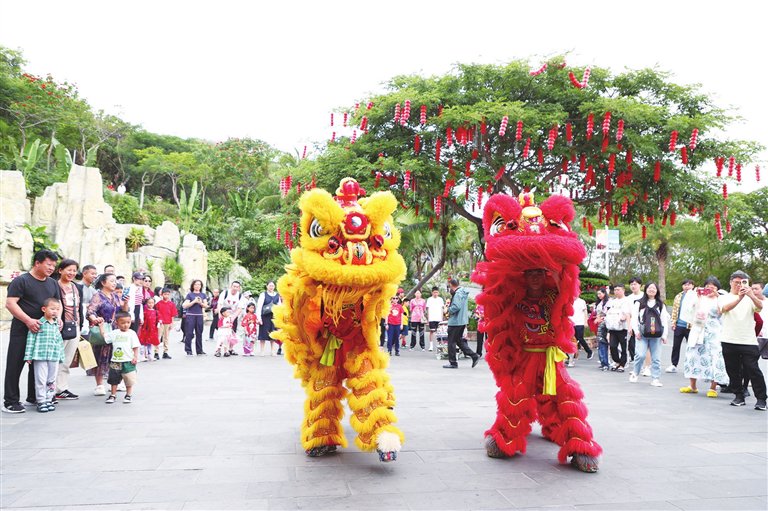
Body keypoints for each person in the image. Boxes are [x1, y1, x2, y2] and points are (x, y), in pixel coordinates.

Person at [3, 249, 61, 414]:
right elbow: (10, 303)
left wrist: (59, 318)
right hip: (22, 330)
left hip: (44, 333)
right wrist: (28, 320)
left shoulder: (52, 283)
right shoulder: (21, 281)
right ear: (37, 263)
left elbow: (58, 304)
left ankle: (35, 396)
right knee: (15, 365)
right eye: (48, 264)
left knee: (39, 365)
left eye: (53, 266)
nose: (51, 268)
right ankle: (10, 401)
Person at [718, 271, 766, 410]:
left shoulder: (750, 298)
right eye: (736, 282)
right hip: (729, 339)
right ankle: (739, 396)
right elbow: (724, 309)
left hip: (748, 340)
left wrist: (750, 295)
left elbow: (760, 307)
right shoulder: (724, 297)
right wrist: (739, 298)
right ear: (731, 282)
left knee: (753, 369)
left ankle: (761, 399)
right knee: (732, 370)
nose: (739, 285)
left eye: (743, 282)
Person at [680, 277, 728, 397]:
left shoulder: (721, 298)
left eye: (713, 287)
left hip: (714, 331)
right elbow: (688, 311)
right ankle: (692, 385)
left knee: (714, 357)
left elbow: (723, 311)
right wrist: (697, 296)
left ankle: (713, 387)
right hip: (698, 330)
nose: (710, 289)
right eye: (707, 287)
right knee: (693, 355)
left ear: (717, 288)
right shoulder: (699, 298)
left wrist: (717, 296)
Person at [87, 273, 127, 396]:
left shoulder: (114, 296)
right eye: (111, 281)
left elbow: (123, 311)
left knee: (115, 355)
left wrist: (126, 302)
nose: (114, 283)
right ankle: (99, 385)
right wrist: (95, 319)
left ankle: (115, 382)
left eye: (115, 281)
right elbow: (90, 311)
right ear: (103, 283)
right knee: (100, 355)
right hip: (102, 329)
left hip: (114, 329)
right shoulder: (98, 296)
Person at [24, 297, 65, 413]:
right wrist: (28, 356)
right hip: (40, 356)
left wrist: (61, 356)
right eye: (52, 309)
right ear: (44, 309)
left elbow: (59, 341)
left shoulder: (57, 324)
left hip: (54, 356)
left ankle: (49, 399)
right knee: (40, 379)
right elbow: (30, 340)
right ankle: (41, 401)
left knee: (51, 380)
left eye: (57, 309)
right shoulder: (38, 323)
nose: (55, 311)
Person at [53, 259, 84, 401]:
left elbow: (80, 308)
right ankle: (50, 389)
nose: (72, 273)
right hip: (59, 327)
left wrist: (81, 324)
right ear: (60, 270)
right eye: (69, 270)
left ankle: (61, 388)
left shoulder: (76, 287)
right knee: (55, 359)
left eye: (74, 270)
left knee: (66, 360)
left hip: (74, 327)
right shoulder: (54, 285)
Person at [628, 282, 669, 387]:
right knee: (640, 355)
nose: (651, 290)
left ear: (657, 291)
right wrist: (636, 331)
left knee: (656, 358)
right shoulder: (639, 303)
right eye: (649, 288)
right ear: (645, 289)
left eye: (654, 288)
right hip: (642, 334)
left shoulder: (661, 304)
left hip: (657, 334)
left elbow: (664, 320)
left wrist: (664, 335)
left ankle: (655, 378)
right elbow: (634, 319)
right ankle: (635, 373)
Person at [100, 311, 139, 404]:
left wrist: (135, 357)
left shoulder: (132, 333)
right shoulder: (114, 333)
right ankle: (113, 395)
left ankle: (128, 394)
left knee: (129, 379)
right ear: (117, 323)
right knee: (114, 379)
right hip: (115, 361)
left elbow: (135, 346)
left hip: (128, 361)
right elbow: (105, 337)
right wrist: (101, 327)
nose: (126, 325)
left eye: (128, 322)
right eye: (123, 323)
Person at [443, 278, 479, 369]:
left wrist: (448, 310)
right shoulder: (462, 292)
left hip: (455, 321)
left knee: (451, 341)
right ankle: (474, 355)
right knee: (458, 340)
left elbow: (456, 307)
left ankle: (453, 362)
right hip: (462, 321)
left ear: (451, 285)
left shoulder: (457, 294)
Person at [667, 279, 696, 373]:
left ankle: (692, 366)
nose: (687, 286)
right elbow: (675, 310)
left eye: (689, 285)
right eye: (685, 285)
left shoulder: (695, 296)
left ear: (693, 286)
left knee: (691, 347)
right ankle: (673, 365)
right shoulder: (679, 296)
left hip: (690, 326)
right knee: (676, 346)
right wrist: (673, 322)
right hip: (679, 325)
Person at [605, 284, 631, 372]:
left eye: (618, 289)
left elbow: (629, 313)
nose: (616, 291)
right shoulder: (612, 301)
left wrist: (629, 325)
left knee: (624, 347)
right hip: (613, 327)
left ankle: (622, 364)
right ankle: (617, 361)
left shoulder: (627, 300)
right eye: (615, 290)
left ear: (623, 290)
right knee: (612, 346)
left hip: (623, 328)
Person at [182, 279, 208, 356]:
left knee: (199, 333)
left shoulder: (203, 295)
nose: (197, 286)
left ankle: (199, 350)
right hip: (190, 315)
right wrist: (194, 301)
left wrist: (200, 302)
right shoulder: (190, 295)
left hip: (199, 316)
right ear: (193, 285)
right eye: (196, 284)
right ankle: (188, 350)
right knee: (189, 333)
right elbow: (185, 305)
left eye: (199, 284)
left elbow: (206, 306)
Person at [256, 281, 281, 356]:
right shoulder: (263, 295)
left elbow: (279, 306)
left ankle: (273, 351)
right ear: (267, 286)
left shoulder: (277, 295)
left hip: (273, 317)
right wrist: (259, 318)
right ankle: (262, 351)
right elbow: (259, 306)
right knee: (263, 334)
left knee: (273, 333)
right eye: (270, 286)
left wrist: (279, 318)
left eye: (272, 286)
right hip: (265, 316)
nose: (271, 287)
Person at [568, 290, 592, 366]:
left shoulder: (582, 301)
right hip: (571, 323)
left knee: (580, 338)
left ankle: (589, 351)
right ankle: (571, 357)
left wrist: (585, 322)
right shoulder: (569, 301)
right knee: (571, 340)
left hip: (579, 323)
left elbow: (585, 312)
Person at [593, 288, 611, 371]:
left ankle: (606, 363)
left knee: (604, 343)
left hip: (606, 325)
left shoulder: (609, 302)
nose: (599, 295)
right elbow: (597, 313)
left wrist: (600, 318)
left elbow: (608, 313)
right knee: (600, 343)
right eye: (598, 294)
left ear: (604, 293)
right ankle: (603, 362)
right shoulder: (599, 303)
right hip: (600, 325)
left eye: (600, 293)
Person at [155, 288, 175, 359]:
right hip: (160, 323)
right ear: (161, 295)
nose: (166, 296)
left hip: (168, 322)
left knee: (166, 337)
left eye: (168, 294)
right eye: (165, 294)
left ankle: (165, 352)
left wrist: (172, 323)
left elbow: (172, 314)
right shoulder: (158, 304)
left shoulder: (171, 304)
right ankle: (156, 352)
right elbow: (156, 313)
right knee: (158, 336)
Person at [627, 277, 644, 363]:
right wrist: (629, 325)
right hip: (632, 322)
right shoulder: (629, 298)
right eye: (631, 284)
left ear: (640, 285)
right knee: (632, 342)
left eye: (635, 284)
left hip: (643, 323)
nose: (633, 286)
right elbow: (628, 313)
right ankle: (634, 358)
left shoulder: (644, 296)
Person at [139, 297, 160, 361]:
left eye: (152, 303)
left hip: (152, 329)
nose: (151, 304)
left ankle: (150, 355)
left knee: (150, 343)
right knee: (143, 343)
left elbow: (158, 319)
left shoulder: (155, 312)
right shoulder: (144, 312)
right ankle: (142, 355)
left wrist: (159, 322)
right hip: (145, 329)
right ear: (146, 303)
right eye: (149, 303)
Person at [425, 287, 445, 352]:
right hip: (432, 318)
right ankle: (431, 345)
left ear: (438, 293)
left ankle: (440, 346)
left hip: (439, 318)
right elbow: (427, 310)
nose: (435, 293)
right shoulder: (429, 299)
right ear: (432, 292)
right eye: (434, 292)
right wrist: (428, 319)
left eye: (436, 292)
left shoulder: (440, 299)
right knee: (431, 331)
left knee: (439, 333)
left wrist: (442, 318)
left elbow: (442, 309)